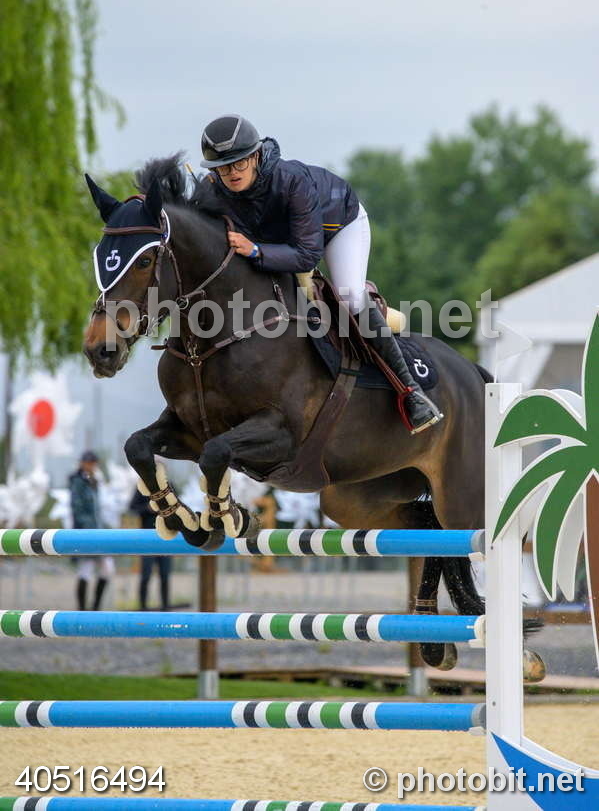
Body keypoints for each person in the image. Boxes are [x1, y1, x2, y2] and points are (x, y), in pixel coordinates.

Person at [195, 115, 441, 434]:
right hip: (280, 239)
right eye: (222, 167)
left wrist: (255, 251)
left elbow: (307, 254)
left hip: (337, 225)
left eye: (238, 163)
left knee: (350, 296)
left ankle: (411, 392)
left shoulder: (292, 181)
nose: (231, 173)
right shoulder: (213, 188)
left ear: (255, 156)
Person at [68, 450, 114, 610]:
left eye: (93, 463)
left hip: (98, 531)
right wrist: (90, 529)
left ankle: (95, 608)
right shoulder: (78, 482)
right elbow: (77, 509)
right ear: (82, 463)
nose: (91, 466)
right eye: (89, 463)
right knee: (85, 571)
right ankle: (82, 609)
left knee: (107, 569)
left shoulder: (94, 480)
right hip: (87, 532)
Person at [129, 487, 171, 611]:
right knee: (145, 575)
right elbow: (132, 507)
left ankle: (166, 608)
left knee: (165, 575)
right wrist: (147, 508)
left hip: (165, 537)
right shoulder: (142, 487)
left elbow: (178, 507)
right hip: (147, 539)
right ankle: (143, 609)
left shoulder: (168, 485)